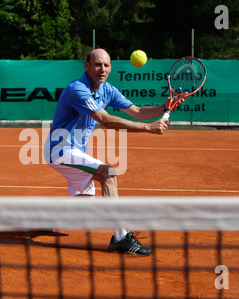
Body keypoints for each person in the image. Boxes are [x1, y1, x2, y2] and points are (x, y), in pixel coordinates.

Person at [44, 49, 183, 256]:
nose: (103, 69)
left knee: (85, 202)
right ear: (87, 66)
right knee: (108, 173)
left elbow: (137, 112)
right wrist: (149, 128)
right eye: (98, 64)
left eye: (107, 65)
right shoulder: (77, 89)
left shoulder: (107, 90)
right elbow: (106, 120)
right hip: (60, 150)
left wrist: (164, 106)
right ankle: (120, 238)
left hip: (75, 150)